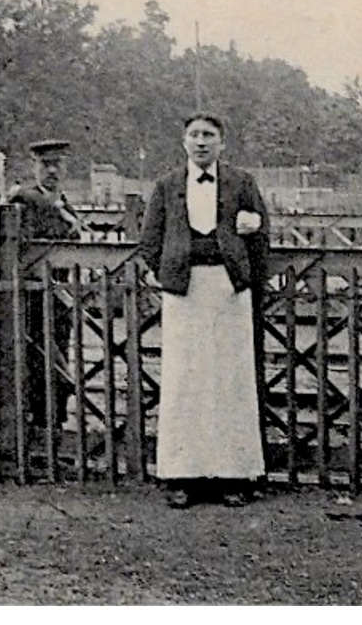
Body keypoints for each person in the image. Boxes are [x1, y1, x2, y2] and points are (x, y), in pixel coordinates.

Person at [134, 113, 271, 509]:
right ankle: (181, 476)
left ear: (222, 143)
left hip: (228, 289)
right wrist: (170, 274)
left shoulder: (242, 182)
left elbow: (263, 238)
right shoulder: (167, 185)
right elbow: (149, 242)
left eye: (209, 135)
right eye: (194, 135)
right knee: (183, 380)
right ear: (183, 142)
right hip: (184, 291)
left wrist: (249, 274)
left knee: (231, 381)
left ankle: (235, 476)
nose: (201, 142)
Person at [9, 139, 85, 436]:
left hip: (59, 300)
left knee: (59, 363)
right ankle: (30, 433)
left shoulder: (67, 206)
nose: (52, 170)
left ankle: (53, 428)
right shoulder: (25, 200)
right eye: (45, 164)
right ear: (34, 167)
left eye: (58, 164)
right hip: (29, 298)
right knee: (33, 364)